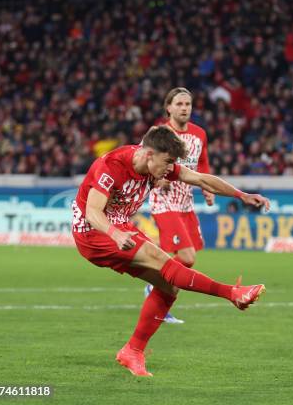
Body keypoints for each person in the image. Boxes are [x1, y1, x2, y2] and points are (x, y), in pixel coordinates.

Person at [71, 125, 269, 377]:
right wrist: (115, 234)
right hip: (92, 232)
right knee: (160, 258)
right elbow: (92, 212)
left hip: (119, 227)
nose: (169, 169)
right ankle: (232, 293)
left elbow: (199, 178)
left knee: (169, 286)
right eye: (167, 162)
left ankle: (133, 351)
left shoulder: (157, 163)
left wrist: (240, 195)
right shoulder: (111, 166)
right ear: (148, 153)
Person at [144, 87, 214, 324]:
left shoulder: (199, 134)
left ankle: (160, 299)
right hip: (164, 202)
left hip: (186, 204)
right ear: (169, 107)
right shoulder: (159, 133)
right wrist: (156, 176)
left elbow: (202, 163)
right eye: (180, 104)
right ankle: (155, 283)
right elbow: (142, 161)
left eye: (188, 104)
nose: (185, 108)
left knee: (184, 255)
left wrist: (207, 187)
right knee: (187, 256)